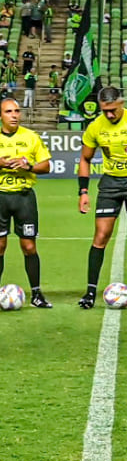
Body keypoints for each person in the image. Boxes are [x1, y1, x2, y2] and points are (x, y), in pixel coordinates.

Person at [76, 87, 127, 310]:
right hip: (110, 183)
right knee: (100, 236)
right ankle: (90, 292)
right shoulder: (95, 126)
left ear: (121, 103)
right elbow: (85, 159)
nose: (109, 115)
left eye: (112, 110)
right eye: (105, 111)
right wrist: (83, 192)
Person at [0, 98, 51, 308]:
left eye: (17, 111)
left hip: (24, 198)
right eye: (8, 111)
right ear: (1, 115)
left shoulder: (31, 137)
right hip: (0, 197)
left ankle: (37, 294)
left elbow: (46, 166)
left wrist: (28, 166)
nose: (14, 115)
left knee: (29, 246)